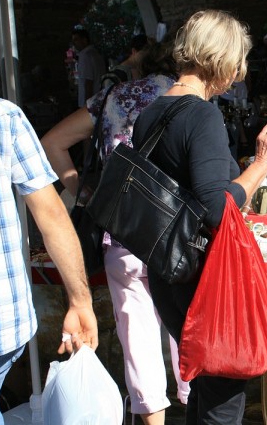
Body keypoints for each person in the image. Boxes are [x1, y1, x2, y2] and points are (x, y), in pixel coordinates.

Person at [132, 10, 267, 424]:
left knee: (205, 382)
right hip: (203, 277)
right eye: (239, 60)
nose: (241, 72)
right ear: (222, 59)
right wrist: (261, 164)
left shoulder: (152, 112)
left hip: (167, 271)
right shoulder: (201, 115)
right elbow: (217, 206)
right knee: (223, 391)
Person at [41, 40, 190, 425]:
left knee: (138, 345)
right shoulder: (187, 98)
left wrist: (87, 196)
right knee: (187, 336)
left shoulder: (112, 98)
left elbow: (52, 143)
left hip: (123, 234)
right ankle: (194, 411)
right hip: (177, 234)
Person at [0, 88, 98, 423]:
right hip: (5, 320)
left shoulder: (2, 116)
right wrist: (80, 301)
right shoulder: (0, 115)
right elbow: (52, 216)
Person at [71, 28, 107, 108]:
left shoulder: (85, 56)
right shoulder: (96, 54)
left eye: (76, 40)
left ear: (84, 40)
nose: (74, 43)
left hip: (91, 103)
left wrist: (87, 106)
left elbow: (88, 82)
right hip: (100, 99)